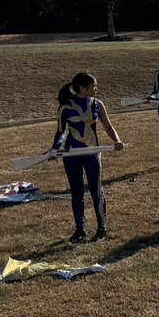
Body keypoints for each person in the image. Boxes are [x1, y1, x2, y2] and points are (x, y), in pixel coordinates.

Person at [50, 72, 124, 243]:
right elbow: (60, 132)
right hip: (72, 154)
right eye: (93, 86)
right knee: (76, 192)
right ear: (82, 88)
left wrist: (117, 140)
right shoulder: (65, 108)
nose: (96, 89)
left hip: (92, 152)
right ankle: (80, 230)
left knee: (96, 190)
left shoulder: (97, 104)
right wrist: (54, 148)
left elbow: (108, 126)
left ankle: (101, 229)